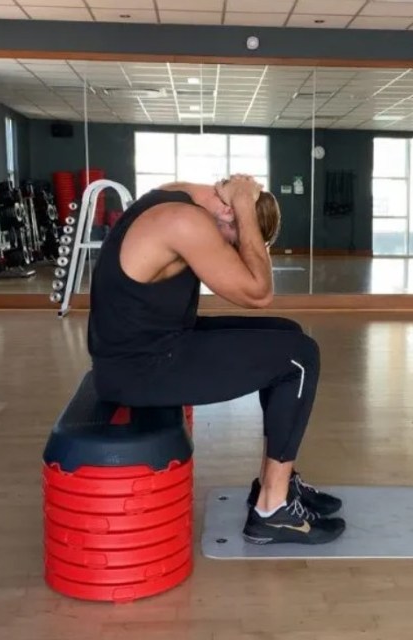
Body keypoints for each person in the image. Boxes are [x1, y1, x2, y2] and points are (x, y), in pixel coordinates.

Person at [86, 175, 345, 545]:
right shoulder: (185, 222)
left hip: (147, 347)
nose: (230, 252)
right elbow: (258, 293)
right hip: (142, 369)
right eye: (234, 241)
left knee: (289, 334)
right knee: (301, 356)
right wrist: (244, 204)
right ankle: (272, 511)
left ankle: (275, 484)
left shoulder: (178, 193)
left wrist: (240, 207)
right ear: (228, 211)